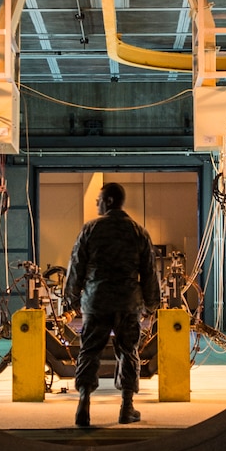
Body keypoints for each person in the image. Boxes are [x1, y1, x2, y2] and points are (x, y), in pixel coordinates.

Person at [61, 181, 160, 427]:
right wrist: (151, 304)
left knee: (89, 350)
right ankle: (126, 407)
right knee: (128, 351)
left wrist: (71, 299)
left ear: (109, 201)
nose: (96, 203)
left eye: (99, 200)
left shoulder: (90, 229)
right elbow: (149, 272)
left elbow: (76, 266)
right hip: (128, 302)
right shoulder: (138, 232)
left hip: (97, 301)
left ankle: (83, 403)